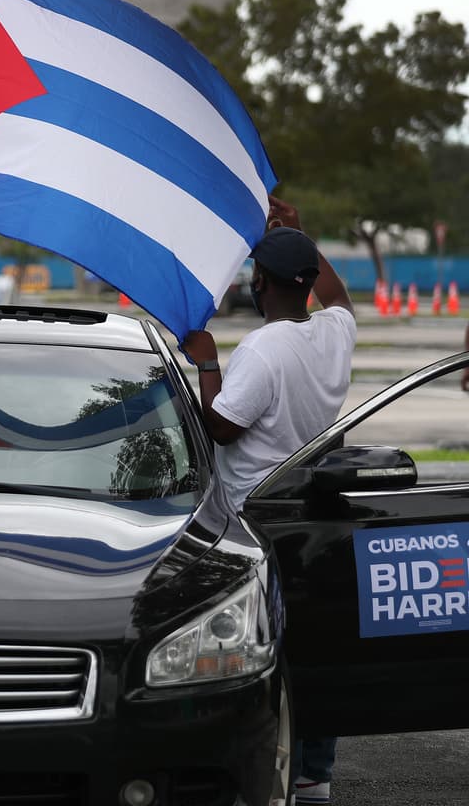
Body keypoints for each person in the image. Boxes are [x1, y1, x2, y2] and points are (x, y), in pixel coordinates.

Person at [183, 195, 356, 806]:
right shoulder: (336, 332)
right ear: (304, 281)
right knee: (317, 643)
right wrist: (303, 236)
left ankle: (263, 767)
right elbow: (336, 297)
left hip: (257, 517)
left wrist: (206, 363)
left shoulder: (262, 350)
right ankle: (315, 772)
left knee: (264, 649)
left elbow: (222, 427)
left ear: (259, 282)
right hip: (311, 506)